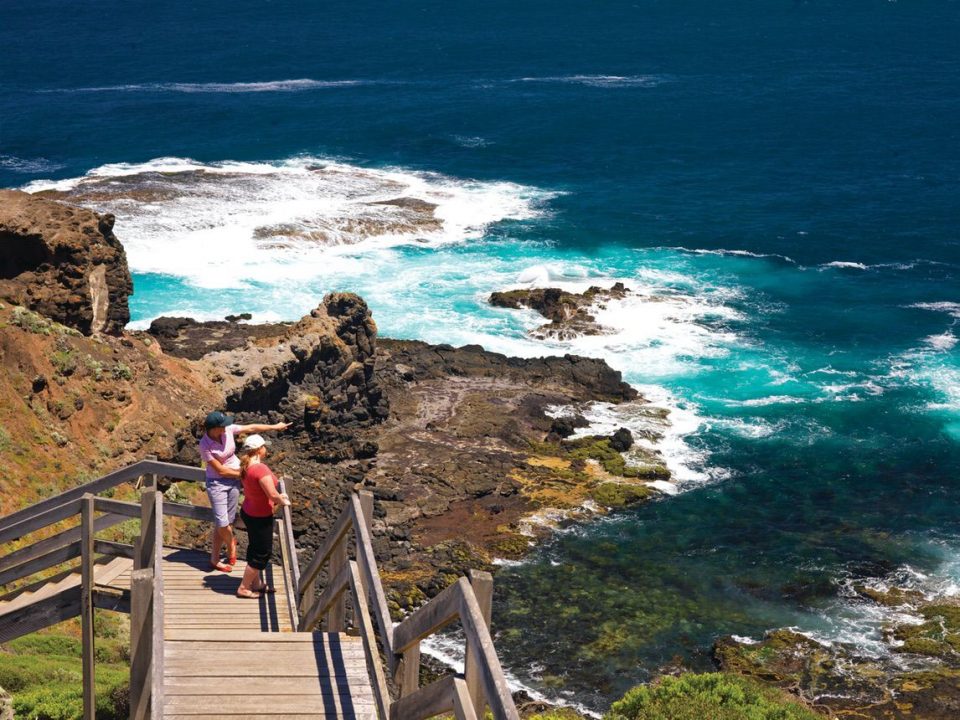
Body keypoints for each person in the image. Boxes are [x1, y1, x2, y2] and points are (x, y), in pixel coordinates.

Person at [199, 411, 290, 572]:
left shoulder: (227, 430)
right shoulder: (205, 445)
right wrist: (248, 474)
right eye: (223, 425)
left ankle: (214, 558)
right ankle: (231, 543)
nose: (227, 427)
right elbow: (220, 471)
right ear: (215, 428)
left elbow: (251, 427)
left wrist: (275, 427)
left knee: (228, 520)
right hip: (217, 483)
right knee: (222, 522)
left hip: (235, 480)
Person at [236, 434, 289, 598]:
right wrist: (283, 499)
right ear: (259, 450)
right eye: (264, 446)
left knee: (254, 547)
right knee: (262, 553)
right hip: (260, 516)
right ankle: (244, 588)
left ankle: (256, 583)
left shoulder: (246, 466)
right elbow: (272, 495)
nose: (266, 449)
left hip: (248, 512)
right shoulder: (260, 469)